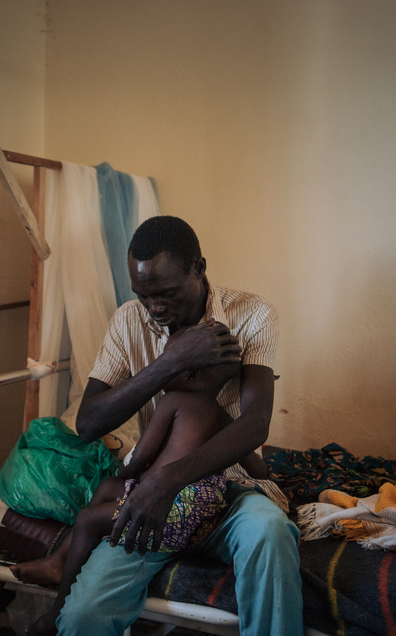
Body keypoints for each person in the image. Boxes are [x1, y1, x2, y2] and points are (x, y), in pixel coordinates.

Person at [56, 215, 304, 636]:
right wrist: (169, 363)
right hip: (155, 504)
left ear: (199, 268)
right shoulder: (128, 322)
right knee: (81, 619)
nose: (155, 308)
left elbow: (255, 423)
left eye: (167, 293)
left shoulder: (253, 315)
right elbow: (87, 423)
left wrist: (167, 481)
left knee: (271, 532)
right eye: (143, 295)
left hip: (227, 489)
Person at [15, 328, 247, 635]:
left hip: (168, 517)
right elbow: (255, 465)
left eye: (170, 363)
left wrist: (123, 473)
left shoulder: (173, 402)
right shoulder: (225, 418)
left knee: (87, 518)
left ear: (189, 375)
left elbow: (139, 458)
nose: (162, 370)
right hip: (202, 521)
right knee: (109, 490)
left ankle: (57, 608)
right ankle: (59, 560)